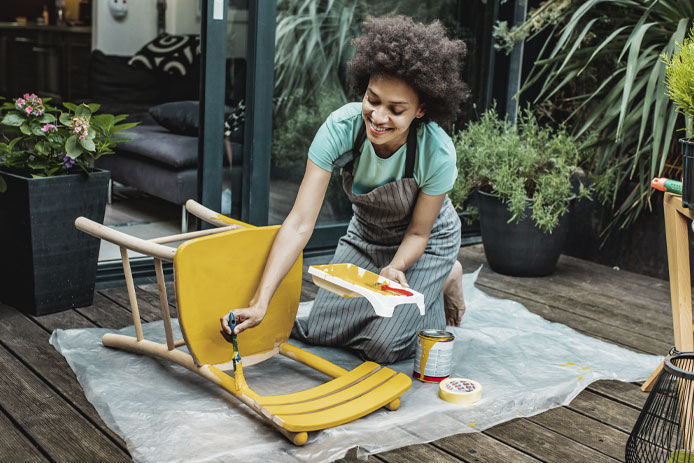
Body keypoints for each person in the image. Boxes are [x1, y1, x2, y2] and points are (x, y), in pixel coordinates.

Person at [221, 15, 468, 363]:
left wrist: (396, 268)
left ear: (421, 110)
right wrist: (260, 302)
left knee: (386, 346)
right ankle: (423, 288)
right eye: (373, 99)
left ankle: (445, 274)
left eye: (396, 110)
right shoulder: (341, 129)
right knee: (322, 330)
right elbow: (299, 223)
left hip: (424, 244)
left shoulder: (436, 152)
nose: (379, 117)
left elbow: (418, 232)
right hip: (366, 236)